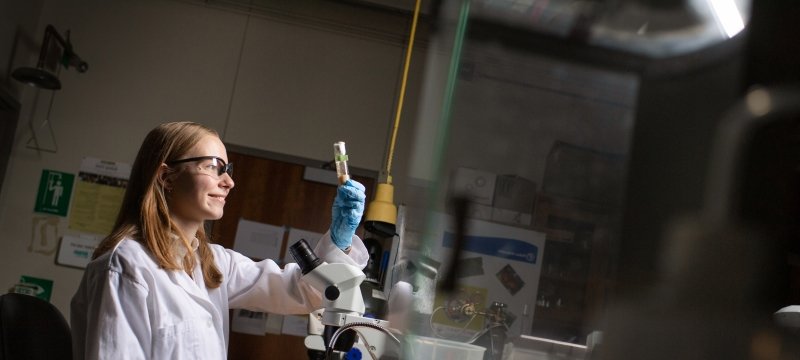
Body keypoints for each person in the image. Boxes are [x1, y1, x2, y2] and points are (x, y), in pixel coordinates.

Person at [70, 122, 368, 359]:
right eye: (213, 166)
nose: (228, 182)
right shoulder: (126, 267)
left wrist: (339, 239)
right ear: (166, 177)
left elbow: (308, 293)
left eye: (227, 169)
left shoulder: (211, 263)